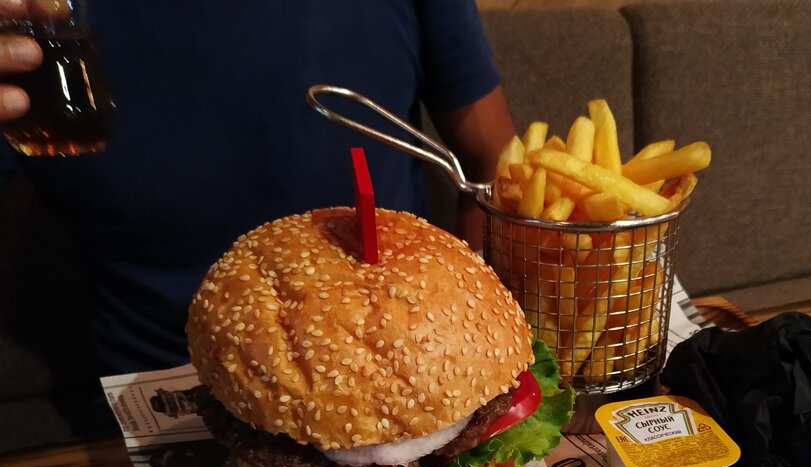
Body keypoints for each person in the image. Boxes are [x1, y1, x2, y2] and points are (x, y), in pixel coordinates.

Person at [0, 0, 516, 378]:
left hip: (408, 362)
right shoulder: (29, 16)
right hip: (153, 386)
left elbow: (495, 169)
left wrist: (478, 342)